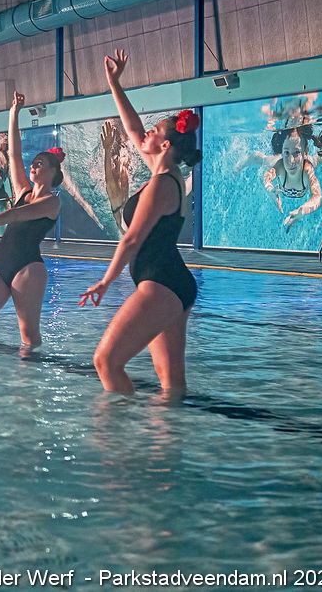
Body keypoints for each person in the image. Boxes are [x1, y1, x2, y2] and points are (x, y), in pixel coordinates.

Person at [79, 49, 202, 395]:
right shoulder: (165, 173)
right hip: (171, 282)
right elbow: (132, 128)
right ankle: (166, 430)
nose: (145, 132)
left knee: (106, 361)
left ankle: (119, 427)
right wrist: (114, 83)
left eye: (155, 130)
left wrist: (105, 281)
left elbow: (132, 240)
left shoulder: (162, 184)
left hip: (161, 283)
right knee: (171, 384)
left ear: (165, 144)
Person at [0, 91, 63, 356]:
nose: (34, 165)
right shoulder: (23, 191)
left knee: (28, 335)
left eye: (40, 163)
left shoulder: (52, 203)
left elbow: (18, 215)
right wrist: (13, 113)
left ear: (53, 172)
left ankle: (28, 377)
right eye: (34, 162)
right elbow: (14, 155)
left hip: (28, 269)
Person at [100, 119, 132, 233]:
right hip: (122, 212)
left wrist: (107, 149)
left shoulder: (117, 197)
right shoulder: (120, 199)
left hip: (121, 210)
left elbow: (108, 178)